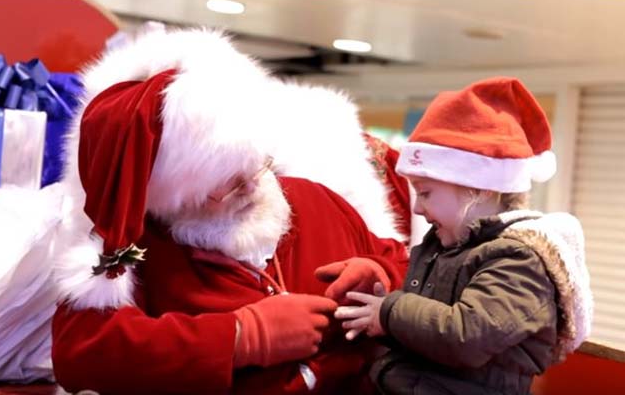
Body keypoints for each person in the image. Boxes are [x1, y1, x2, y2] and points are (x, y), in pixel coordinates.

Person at [50, 28, 409, 394]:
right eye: (230, 183)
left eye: (258, 164)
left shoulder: (318, 201)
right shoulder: (138, 252)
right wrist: (241, 337)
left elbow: (405, 266)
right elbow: (83, 355)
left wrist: (381, 275)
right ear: (174, 197)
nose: (254, 186)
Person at [334, 77, 593, 395]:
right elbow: (430, 337)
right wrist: (381, 321)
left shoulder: (520, 259)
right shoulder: (445, 247)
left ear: (479, 188)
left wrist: (390, 311)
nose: (417, 208)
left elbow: (466, 336)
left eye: (426, 193)